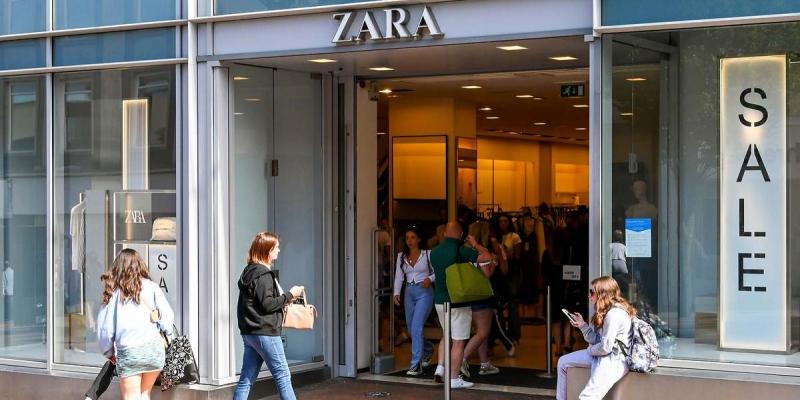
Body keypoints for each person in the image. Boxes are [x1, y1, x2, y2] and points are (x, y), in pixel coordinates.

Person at [234, 232, 305, 400]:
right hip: (265, 332)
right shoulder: (264, 274)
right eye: (276, 248)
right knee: (283, 376)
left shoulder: (249, 272)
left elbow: (260, 303)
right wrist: (290, 295)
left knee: (246, 379)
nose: (279, 251)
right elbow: (267, 304)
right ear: (267, 250)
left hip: (250, 333)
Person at [97, 249, 175, 400]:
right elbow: (167, 317)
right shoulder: (152, 287)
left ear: (117, 267)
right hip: (154, 350)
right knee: (144, 394)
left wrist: (108, 352)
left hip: (130, 352)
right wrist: (168, 336)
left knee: (131, 397)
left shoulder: (114, 292)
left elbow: (105, 328)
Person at [429, 222, 491, 389]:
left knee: (446, 335)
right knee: (458, 341)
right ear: (461, 234)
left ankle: (440, 369)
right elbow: (487, 258)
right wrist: (476, 245)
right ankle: (454, 378)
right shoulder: (461, 250)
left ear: (444, 234)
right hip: (457, 301)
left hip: (439, 301)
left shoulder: (433, 253)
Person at [556, 276, 635, 400]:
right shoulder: (606, 311)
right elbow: (598, 341)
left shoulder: (613, 315)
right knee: (563, 362)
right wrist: (583, 326)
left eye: (592, 292)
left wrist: (590, 350)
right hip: (602, 355)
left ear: (603, 294)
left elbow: (605, 348)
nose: (589, 295)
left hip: (613, 360)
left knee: (588, 397)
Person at [392, 226, 436, 375]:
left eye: (412, 237)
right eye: (407, 238)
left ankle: (416, 364)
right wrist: (396, 292)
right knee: (411, 330)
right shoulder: (401, 256)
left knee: (417, 327)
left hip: (424, 292)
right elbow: (399, 276)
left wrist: (430, 279)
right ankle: (428, 349)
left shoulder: (428, 254)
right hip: (409, 292)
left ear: (419, 239)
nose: (409, 241)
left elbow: (438, 271)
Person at [460, 221, 501, 378]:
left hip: (466, 293)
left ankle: (485, 363)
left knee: (479, 331)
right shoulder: (481, 250)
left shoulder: (464, 249)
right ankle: (461, 358)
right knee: (484, 331)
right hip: (480, 293)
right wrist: (494, 264)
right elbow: (486, 274)